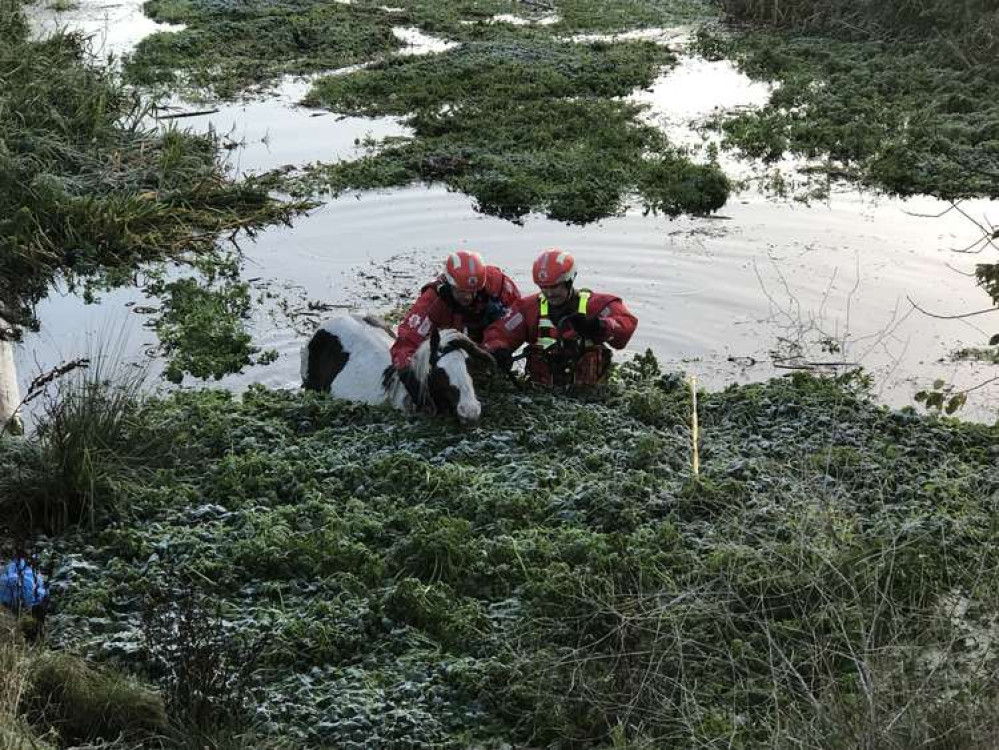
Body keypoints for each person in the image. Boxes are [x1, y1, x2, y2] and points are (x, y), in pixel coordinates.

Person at [484, 249, 637, 387]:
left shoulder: (598, 305)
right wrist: (498, 350)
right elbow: (500, 332)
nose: (549, 293)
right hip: (540, 394)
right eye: (544, 287)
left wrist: (600, 326)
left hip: (591, 396)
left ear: (569, 281)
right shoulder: (527, 309)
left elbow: (626, 325)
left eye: (555, 286)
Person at [390, 250, 520, 372]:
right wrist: (409, 370)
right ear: (449, 284)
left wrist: (500, 345)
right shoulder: (433, 301)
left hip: (489, 339)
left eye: (472, 292)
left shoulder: (499, 286)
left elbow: (519, 317)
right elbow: (407, 341)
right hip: (451, 346)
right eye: (461, 292)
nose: (468, 297)